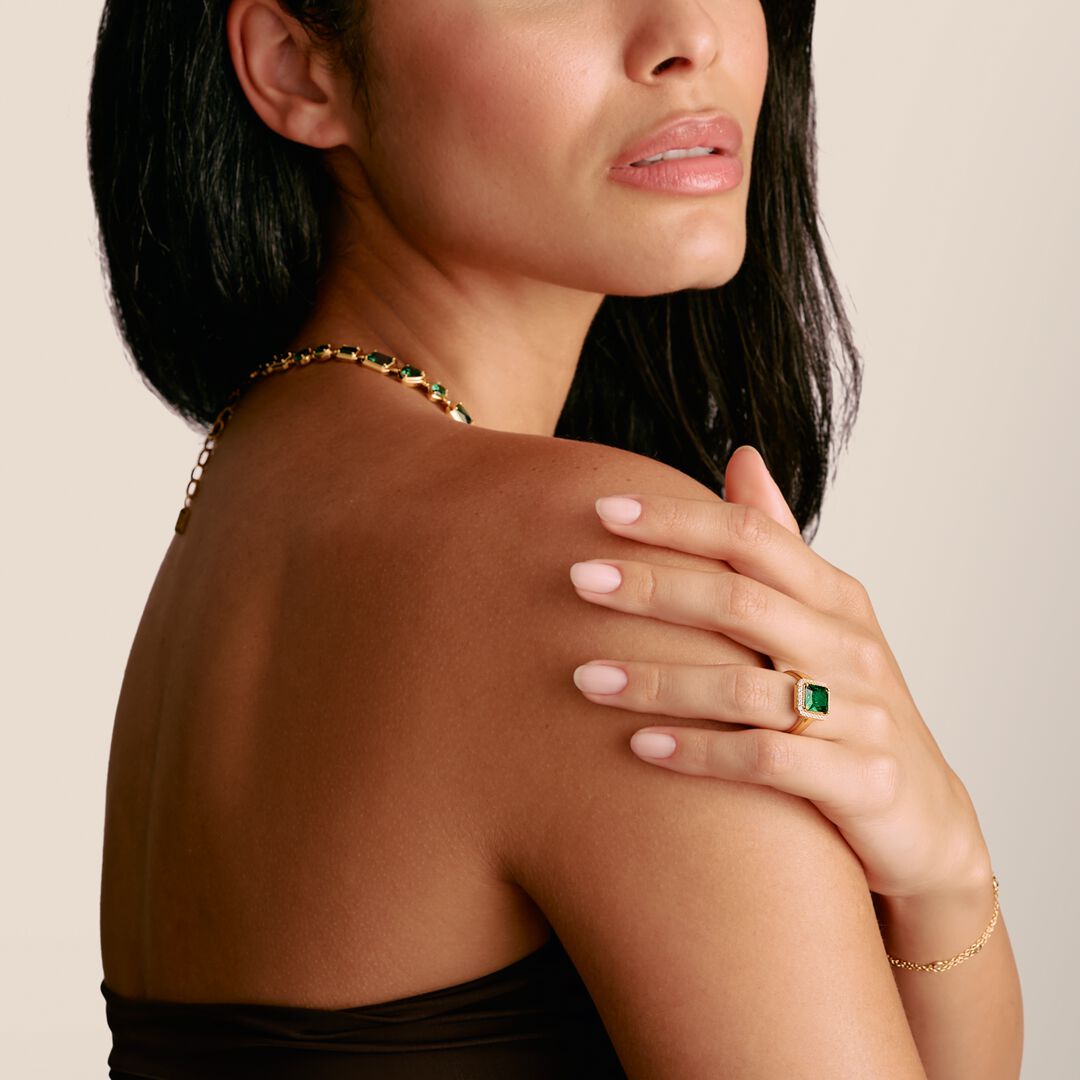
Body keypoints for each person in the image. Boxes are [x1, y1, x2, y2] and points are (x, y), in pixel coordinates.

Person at [88, 0, 1023, 1077]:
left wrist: (939, 865)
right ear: (300, 69)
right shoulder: (610, 584)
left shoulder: (250, 498)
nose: (688, 34)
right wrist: (947, 873)